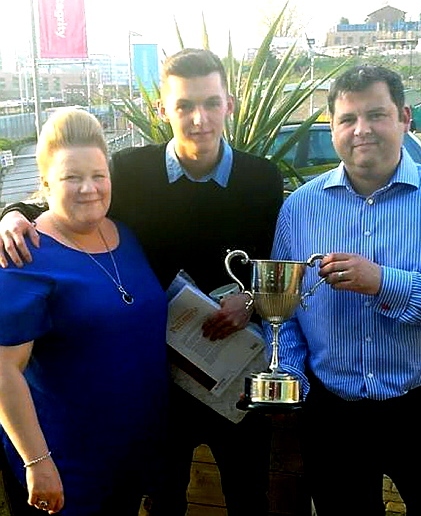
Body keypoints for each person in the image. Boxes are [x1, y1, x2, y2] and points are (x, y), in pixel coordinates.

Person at [0, 49, 284, 515]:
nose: (199, 118)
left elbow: (274, 262)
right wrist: (12, 214)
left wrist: (250, 300)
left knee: (249, 494)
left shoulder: (262, 179)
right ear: (162, 110)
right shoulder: (131, 172)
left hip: (233, 368)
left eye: (211, 103)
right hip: (162, 383)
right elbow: (72, 196)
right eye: (184, 105)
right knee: (163, 499)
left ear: (229, 105)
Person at [265, 65, 421, 515]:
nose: (362, 130)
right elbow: (286, 308)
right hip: (332, 415)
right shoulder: (299, 207)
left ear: (405, 117)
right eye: (347, 119)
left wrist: (385, 283)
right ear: (332, 126)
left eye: (376, 114)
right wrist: (291, 379)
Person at [0, 107, 169, 516]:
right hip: (64, 465)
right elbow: (3, 370)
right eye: (71, 177)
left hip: (128, 459)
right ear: (44, 184)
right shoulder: (26, 256)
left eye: (98, 175)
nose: (88, 188)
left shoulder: (124, 235)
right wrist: (38, 464)